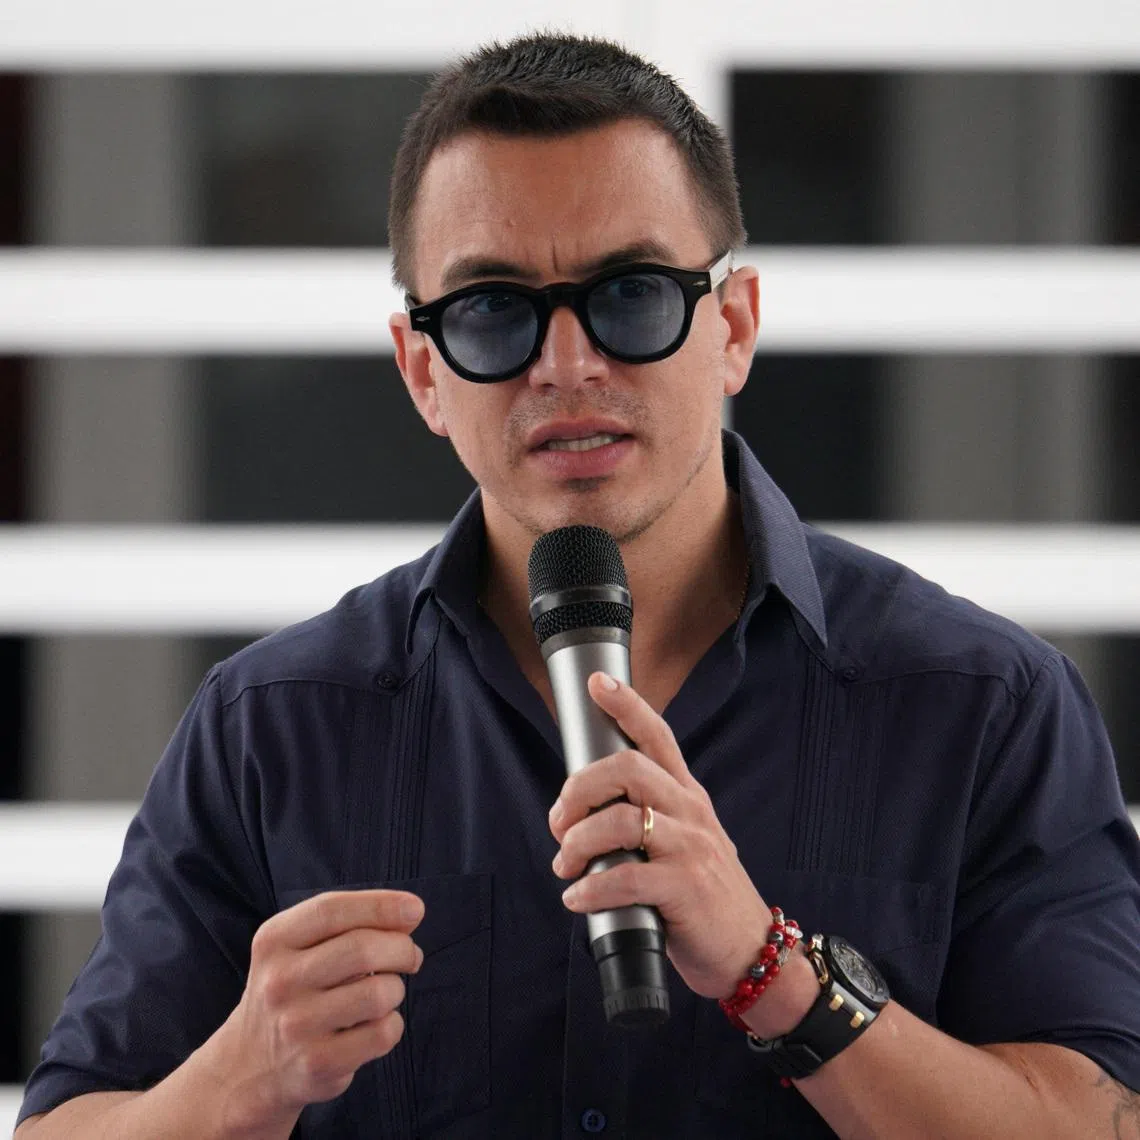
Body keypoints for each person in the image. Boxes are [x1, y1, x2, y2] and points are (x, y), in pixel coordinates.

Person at [15, 32, 1140, 1139]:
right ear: (424, 372)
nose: (569, 364)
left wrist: (772, 972)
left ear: (733, 327)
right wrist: (236, 1081)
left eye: (635, 293)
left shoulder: (984, 704)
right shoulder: (273, 730)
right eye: (495, 310)